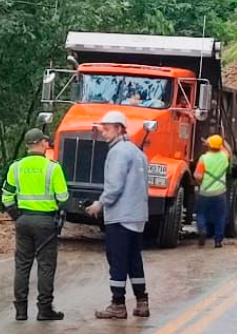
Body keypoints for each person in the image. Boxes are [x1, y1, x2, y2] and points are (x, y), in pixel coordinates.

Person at [85, 110, 150, 319]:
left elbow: (114, 185)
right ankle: (142, 302)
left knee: (118, 259)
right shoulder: (137, 152)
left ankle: (118, 304)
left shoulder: (118, 152)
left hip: (121, 215)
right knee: (134, 259)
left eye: (106, 129)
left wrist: (100, 204)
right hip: (137, 215)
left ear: (119, 129)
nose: (103, 133)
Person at [1, 128, 68, 322]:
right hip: (45, 221)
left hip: (23, 220)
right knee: (46, 265)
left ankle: (21, 311)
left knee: (22, 265)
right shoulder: (53, 168)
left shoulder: (16, 167)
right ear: (42, 143)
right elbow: (63, 197)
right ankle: (44, 309)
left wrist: (17, 216)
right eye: (46, 141)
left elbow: (6, 196)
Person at [193, 135, 229, 248]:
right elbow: (228, 151)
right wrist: (221, 143)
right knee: (220, 216)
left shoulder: (204, 158)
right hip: (220, 193)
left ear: (208, 146)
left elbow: (198, 176)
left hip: (205, 193)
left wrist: (199, 183)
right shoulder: (224, 157)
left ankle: (202, 230)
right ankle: (218, 241)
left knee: (201, 214)